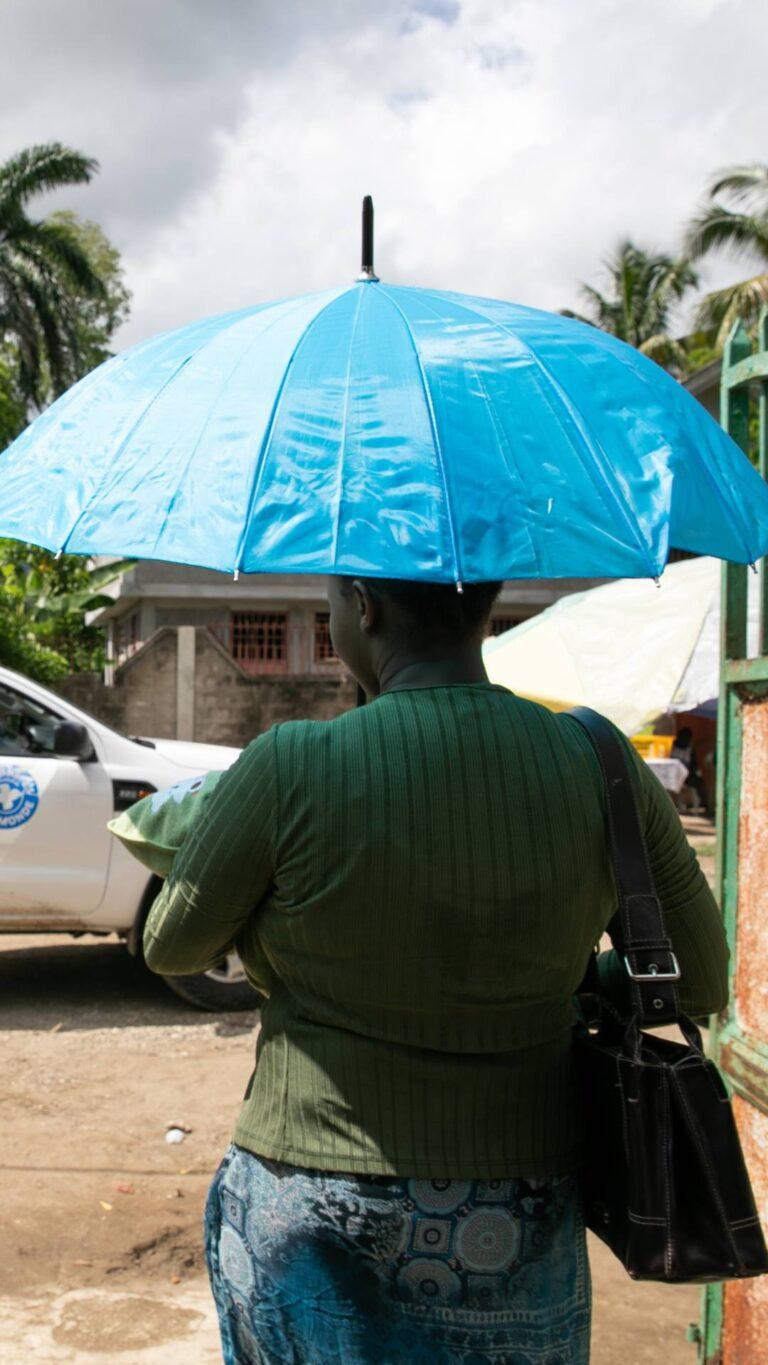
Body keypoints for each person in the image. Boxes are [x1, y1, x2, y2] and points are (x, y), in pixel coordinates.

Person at [142, 576, 728, 1365]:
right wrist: (574, 981)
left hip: (308, 1193)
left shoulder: (289, 764)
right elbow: (697, 980)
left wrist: (270, 921)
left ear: (363, 605)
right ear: (486, 609)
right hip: (515, 1212)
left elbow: (171, 944)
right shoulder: (597, 760)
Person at [671, 725, 712, 817]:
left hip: (686, 775)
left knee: (700, 784)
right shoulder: (673, 746)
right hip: (675, 775)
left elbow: (694, 764)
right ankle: (702, 806)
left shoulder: (689, 748)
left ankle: (705, 806)